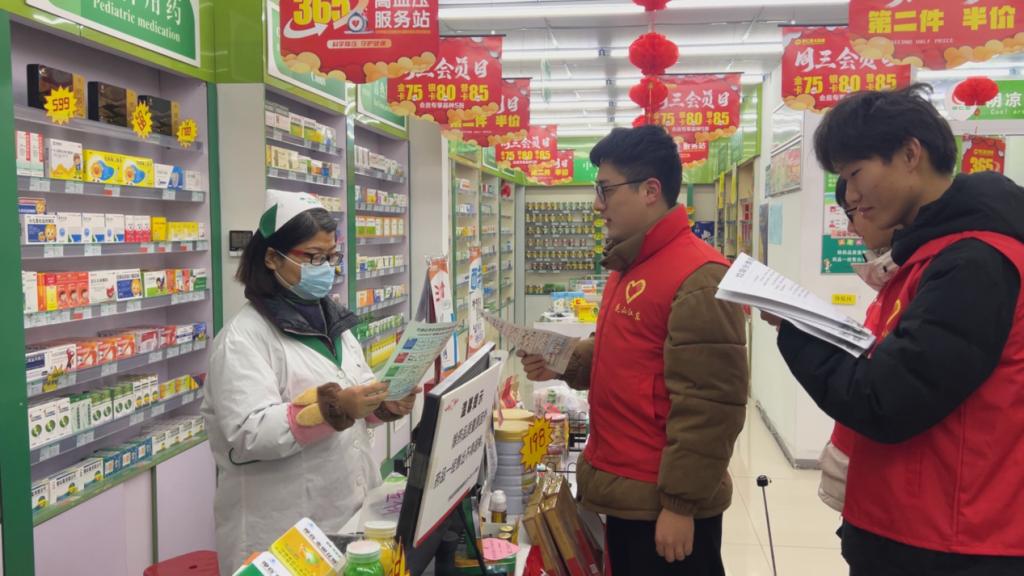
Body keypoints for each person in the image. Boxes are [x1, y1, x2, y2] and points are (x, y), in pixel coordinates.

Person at [770, 84, 1024, 575]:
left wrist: (799, 331)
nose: (850, 195)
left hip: (952, 542)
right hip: (916, 526)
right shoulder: (931, 255)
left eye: (855, 174)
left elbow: (887, 399)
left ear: (910, 154)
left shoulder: (975, 262)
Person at [519, 125, 749, 576]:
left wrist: (680, 505)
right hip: (627, 489)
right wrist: (562, 360)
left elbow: (711, 405)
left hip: (661, 504)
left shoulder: (699, 276)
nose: (597, 204)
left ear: (650, 190)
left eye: (605, 189)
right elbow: (626, 357)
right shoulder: (631, 264)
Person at [202, 191, 420, 574]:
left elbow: (356, 386)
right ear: (272, 258)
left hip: (344, 510)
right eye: (314, 257)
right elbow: (249, 432)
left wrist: (382, 404)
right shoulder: (242, 339)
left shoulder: (332, 323)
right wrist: (336, 408)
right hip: (282, 527)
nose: (327, 268)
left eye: (332, 257)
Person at [818, 177, 898, 514]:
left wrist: (803, 342)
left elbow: (885, 396)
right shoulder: (893, 279)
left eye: (856, 210)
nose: (851, 227)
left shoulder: (939, 274)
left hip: (886, 492)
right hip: (863, 480)